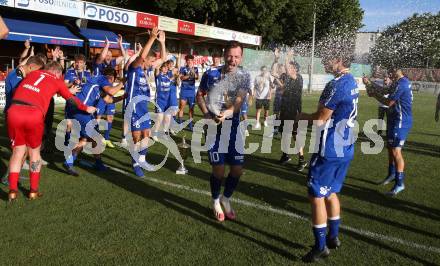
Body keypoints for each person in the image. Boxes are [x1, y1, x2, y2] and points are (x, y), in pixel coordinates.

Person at [297, 50, 359, 262]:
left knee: (316, 196)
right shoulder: (351, 81)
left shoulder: (337, 83)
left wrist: (301, 117)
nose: (325, 61)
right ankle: (333, 237)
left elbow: (320, 118)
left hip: (330, 148)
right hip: (345, 147)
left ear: (340, 61)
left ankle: (321, 246)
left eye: (329, 58)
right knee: (331, 192)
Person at [6, 61, 96, 201]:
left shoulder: (33, 73)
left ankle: (12, 190)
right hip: (33, 113)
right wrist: (86, 108)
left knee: (17, 152)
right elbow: (71, 99)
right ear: (58, 73)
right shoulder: (57, 80)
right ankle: (33, 191)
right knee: (34, 153)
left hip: (14, 110)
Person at [197, 41, 250, 222]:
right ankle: (215, 201)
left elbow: (239, 103)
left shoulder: (244, 76)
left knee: (237, 170)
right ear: (224, 54)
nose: (232, 60)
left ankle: (226, 199)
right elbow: (200, 95)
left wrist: (226, 113)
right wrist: (206, 113)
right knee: (218, 171)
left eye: (236, 56)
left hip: (234, 128)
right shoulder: (210, 74)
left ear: (241, 58)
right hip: (214, 129)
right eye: (229, 55)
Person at [63, 68, 124, 176]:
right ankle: (73, 161)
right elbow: (111, 91)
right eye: (112, 80)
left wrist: (123, 97)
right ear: (110, 78)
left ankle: (74, 161)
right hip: (81, 110)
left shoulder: (97, 83)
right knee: (96, 138)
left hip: (76, 109)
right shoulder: (102, 79)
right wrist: (122, 82)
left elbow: (108, 99)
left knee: (86, 138)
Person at [363, 68, 413, 195]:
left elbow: (389, 102)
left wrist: (373, 94)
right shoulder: (397, 82)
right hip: (393, 119)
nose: (391, 72)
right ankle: (391, 174)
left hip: (400, 121)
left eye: (394, 69)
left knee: (396, 151)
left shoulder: (402, 83)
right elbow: (384, 90)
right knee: (390, 148)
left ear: (401, 70)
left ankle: (400, 183)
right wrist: (369, 83)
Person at [125, 27, 166, 177]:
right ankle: (135, 163)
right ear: (146, 60)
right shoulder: (134, 69)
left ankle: (141, 159)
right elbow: (141, 57)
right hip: (133, 108)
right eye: (151, 60)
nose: (153, 63)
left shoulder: (147, 71)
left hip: (143, 108)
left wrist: (162, 42)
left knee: (146, 135)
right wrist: (151, 38)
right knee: (137, 137)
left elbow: (163, 58)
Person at [1, 56, 45, 184]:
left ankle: (14, 174)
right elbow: (20, 95)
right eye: (36, 71)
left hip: (20, 115)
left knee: (24, 149)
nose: (36, 75)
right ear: (30, 67)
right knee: (19, 150)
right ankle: (7, 177)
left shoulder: (19, 73)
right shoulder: (17, 78)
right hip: (15, 116)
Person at [93, 35, 126, 148]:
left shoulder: (112, 64)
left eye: (110, 56)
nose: (108, 57)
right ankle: (95, 138)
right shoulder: (98, 64)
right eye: (107, 55)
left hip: (110, 94)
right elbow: (101, 57)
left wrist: (120, 45)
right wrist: (106, 45)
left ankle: (106, 138)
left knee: (110, 117)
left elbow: (123, 56)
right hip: (100, 95)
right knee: (98, 117)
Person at [278, 50, 307, 171]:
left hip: (294, 111)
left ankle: (302, 159)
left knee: (295, 134)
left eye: (291, 66)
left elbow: (289, 72)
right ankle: (286, 155)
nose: (288, 68)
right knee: (284, 133)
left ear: (296, 69)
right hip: (284, 109)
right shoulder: (287, 78)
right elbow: (275, 74)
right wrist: (276, 59)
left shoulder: (298, 78)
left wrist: (287, 57)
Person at [64, 54, 92, 146]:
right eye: (77, 62)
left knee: (80, 124)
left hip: (82, 102)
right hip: (71, 101)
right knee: (69, 124)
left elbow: (88, 86)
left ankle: (78, 143)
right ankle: (67, 142)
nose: (78, 64)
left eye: (81, 62)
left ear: (84, 63)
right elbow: (64, 86)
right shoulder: (69, 72)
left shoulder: (87, 73)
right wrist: (73, 83)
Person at [152, 62, 178, 140]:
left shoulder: (168, 76)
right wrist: (163, 60)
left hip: (167, 100)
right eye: (164, 67)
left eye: (167, 67)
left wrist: (177, 76)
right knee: (160, 117)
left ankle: (164, 132)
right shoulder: (158, 75)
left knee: (167, 117)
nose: (166, 68)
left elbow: (175, 72)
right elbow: (156, 68)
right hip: (159, 100)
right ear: (161, 68)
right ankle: (155, 133)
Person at [178, 54, 199, 131]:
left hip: (192, 91)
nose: (189, 62)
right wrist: (188, 75)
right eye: (188, 60)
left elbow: (197, 77)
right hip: (184, 90)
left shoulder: (195, 68)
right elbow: (181, 78)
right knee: (182, 107)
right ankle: (180, 124)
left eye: (191, 60)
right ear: (186, 61)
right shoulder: (183, 68)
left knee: (191, 109)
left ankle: (190, 126)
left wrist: (193, 72)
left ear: (193, 61)